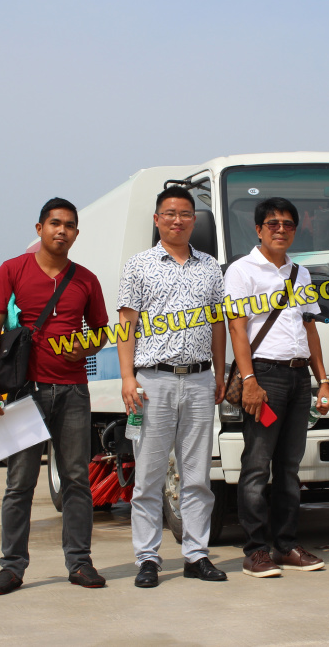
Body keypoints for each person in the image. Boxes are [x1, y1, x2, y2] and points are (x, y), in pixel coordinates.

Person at [0, 197, 110, 595]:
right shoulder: (12, 270)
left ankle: (80, 563)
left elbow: (102, 331)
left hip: (72, 391)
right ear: (39, 229)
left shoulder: (86, 279)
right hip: (24, 393)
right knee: (19, 482)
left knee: (76, 481)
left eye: (70, 225)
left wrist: (85, 348)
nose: (62, 231)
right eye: (55, 223)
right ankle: (12, 567)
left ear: (76, 233)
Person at [117, 186, 228, 588]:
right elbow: (126, 324)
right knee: (148, 476)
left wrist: (218, 372)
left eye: (185, 214)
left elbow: (218, 324)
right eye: (170, 213)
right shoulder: (139, 266)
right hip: (153, 381)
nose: (177, 220)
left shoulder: (210, 267)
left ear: (194, 221)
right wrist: (128, 377)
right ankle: (147, 558)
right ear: (157, 220)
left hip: (199, 381)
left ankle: (196, 555)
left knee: (197, 475)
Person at [223, 197, 329, 578]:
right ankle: (255, 550)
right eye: (272, 223)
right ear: (258, 229)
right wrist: (249, 379)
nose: (280, 229)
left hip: (299, 378)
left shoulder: (300, 273)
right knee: (256, 465)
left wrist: (323, 381)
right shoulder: (241, 271)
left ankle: (286, 545)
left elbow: (309, 328)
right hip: (265, 376)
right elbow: (238, 328)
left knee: (289, 468)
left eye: (287, 223)